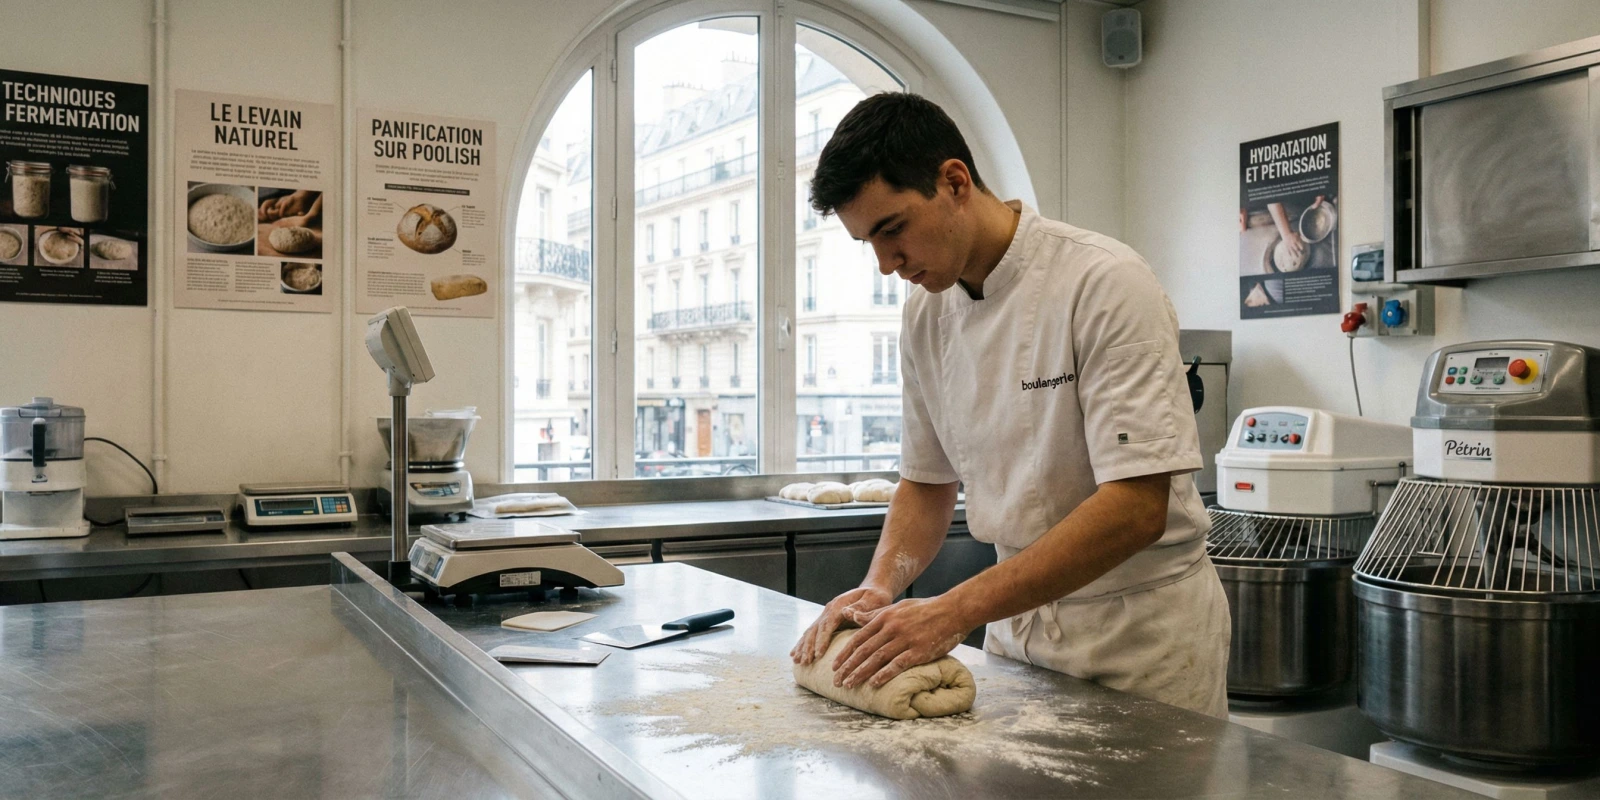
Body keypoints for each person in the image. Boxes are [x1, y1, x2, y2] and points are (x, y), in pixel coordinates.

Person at [788, 93, 1231, 717]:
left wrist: (954, 610)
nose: (889, 265)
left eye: (893, 230)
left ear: (955, 181)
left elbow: (1135, 508)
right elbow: (925, 481)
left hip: (1140, 640)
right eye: (870, 244)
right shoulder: (924, 315)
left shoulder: (1104, 284)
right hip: (1014, 633)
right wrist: (878, 585)